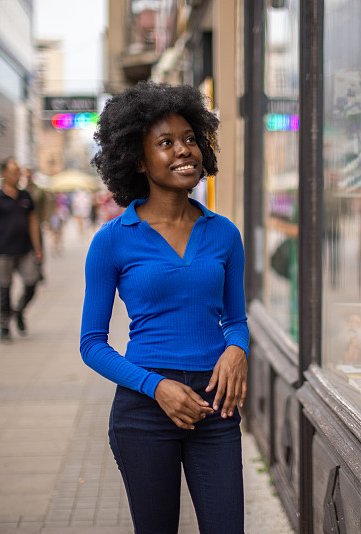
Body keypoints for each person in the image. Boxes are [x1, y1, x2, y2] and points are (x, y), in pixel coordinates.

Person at [80, 81, 248, 533]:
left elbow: (235, 320)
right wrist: (156, 387)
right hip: (144, 410)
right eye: (166, 143)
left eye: (190, 139)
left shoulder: (225, 233)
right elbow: (92, 344)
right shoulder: (113, 240)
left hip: (216, 407)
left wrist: (237, 350)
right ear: (138, 159)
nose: (184, 151)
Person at [0, 157, 43, 343]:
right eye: (15, 171)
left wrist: (38, 248)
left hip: (25, 250)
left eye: (19, 171)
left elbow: (32, 221)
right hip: (4, 252)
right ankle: (4, 327)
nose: (18, 175)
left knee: (32, 283)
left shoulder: (25, 196)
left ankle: (18, 311)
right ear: (4, 174)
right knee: (4, 290)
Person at [23, 167, 51, 281]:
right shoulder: (23, 192)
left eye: (29, 175)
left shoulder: (39, 191)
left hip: (37, 223)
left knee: (39, 247)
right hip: (24, 226)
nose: (28, 177)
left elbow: (47, 206)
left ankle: (39, 269)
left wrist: (46, 220)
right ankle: (30, 269)